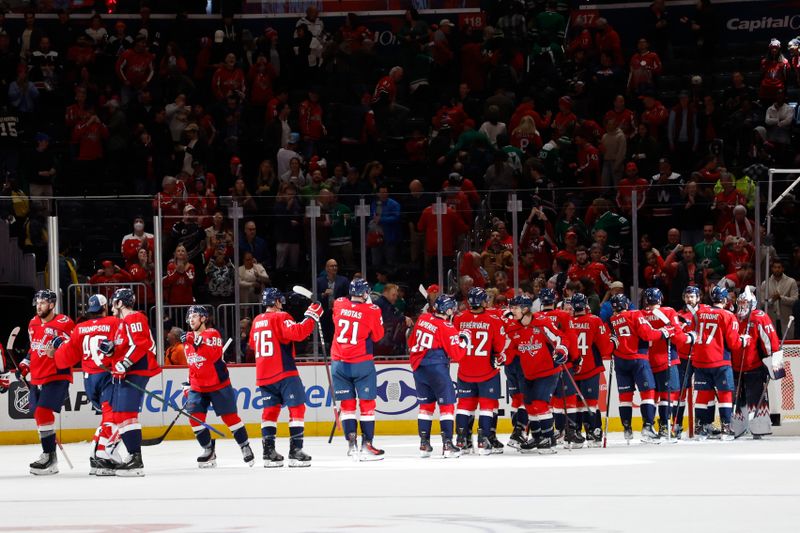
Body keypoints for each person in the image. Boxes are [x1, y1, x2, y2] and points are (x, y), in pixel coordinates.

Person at [249, 288, 321, 467]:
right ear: (275, 302)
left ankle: (268, 453)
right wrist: (312, 316)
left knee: (269, 413)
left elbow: (252, 344)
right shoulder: (281, 317)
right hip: (284, 372)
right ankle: (295, 451)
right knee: (297, 409)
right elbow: (298, 333)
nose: (282, 304)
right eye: (280, 301)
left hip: (264, 374)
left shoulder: (257, 321)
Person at [95, 288, 160, 476]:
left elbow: (141, 345)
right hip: (126, 372)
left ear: (120, 303)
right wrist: (111, 351)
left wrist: (125, 363)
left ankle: (135, 459)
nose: (111, 306)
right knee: (119, 413)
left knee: (126, 413)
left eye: (113, 302)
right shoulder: (123, 323)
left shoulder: (134, 317)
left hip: (136, 371)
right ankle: (131, 455)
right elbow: (128, 345)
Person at [51, 294, 117, 475]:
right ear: (105, 307)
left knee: (107, 417)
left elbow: (67, 356)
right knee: (115, 417)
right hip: (107, 376)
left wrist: (60, 347)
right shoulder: (113, 322)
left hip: (89, 380)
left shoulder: (80, 328)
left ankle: (95, 456)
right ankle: (102, 456)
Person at [183, 306, 254, 468]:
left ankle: (244, 446)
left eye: (194, 316)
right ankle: (208, 450)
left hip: (218, 385)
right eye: (189, 317)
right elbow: (194, 364)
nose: (191, 319)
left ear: (203, 318)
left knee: (230, 418)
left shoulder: (212, 334)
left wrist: (192, 340)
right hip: (198, 387)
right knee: (195, 419)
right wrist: (188, 383)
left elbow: (211, 355)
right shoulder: (187, 342)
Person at [674, 286, 745, 440]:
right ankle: (726, 427)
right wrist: (743, 341)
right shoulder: (727, 315)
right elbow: (733, 343)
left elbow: (692, 334)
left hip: (700, 360)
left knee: (703, 394)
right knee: (725, 393)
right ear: (725, 300)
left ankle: (700, 427)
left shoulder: (699, 313)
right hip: (720, 360)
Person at [19, 290, 75, 475]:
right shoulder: (33, 323)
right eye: (37, 303)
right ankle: (50, 455)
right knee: (39, 415)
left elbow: (73, 349)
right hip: (37, 375)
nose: (38, 306)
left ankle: (49, 457)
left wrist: (58, 349)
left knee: (43, 412)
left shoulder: (65, 323)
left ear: (51, 305)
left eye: (42, 303)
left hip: (57, 374)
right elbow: (33, 348)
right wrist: (26, 362)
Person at [408, 294, 470, 458]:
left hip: (418, 367)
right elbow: (457, 354)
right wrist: (464, 341)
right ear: (448, 310)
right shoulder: (447, 327)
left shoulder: (423, 318)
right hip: (436, 366)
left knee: (426, 406)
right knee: (447, 405)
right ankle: (448, 445)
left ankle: (424, 444)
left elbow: (411, 342)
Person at [505, 294, 568, 454]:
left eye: (515, 307)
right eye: (511, 307)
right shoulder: (514, 327)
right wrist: (502, 357)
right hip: (529, 373)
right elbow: (512, 348)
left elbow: (560, 338)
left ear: (525, 309)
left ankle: (549, 438)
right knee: (530, 406)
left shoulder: (542, 322)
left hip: (548, 371)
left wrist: (562, 351)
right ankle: (538, 436)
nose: (512, 310)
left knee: (540, 403)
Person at [331, 279, 386, 460]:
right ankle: (366, 446)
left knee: (347, 406)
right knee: (367, 406)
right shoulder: (372, 310)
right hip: (361, 363)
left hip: (339, 363)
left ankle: (352, 447)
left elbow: (340, 315)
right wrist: (369, 308)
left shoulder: (339, 304)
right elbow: (378, 336)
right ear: (365, 293)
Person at [608, 293, 672, 443]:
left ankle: (627, 428)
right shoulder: (635, 314)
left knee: (625, 396)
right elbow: (647, 334)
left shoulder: (611, 320)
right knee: (648, 392)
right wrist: (664, 332)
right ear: (626, 304)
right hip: (638, 358)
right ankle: (648, 427)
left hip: (620, 361)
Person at [452, 288, 508, 455]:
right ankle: (483, 442)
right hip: (487, 371)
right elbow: (499, 346)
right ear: (483, 302)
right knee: (487, 406)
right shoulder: (493, 319)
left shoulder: (459, 319)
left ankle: (462, 441)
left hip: (465, 370)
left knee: (464, 406)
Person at [731, 289, 781, 438]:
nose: (742, 306)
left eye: (745, 302)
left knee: (756, 398)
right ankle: (737, 427)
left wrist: (774, 364)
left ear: (752, 303)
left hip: (755, 366)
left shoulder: (760, 317)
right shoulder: (734, 317)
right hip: (735, 366)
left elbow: (771, 342)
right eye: (740, 302)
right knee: (737, 400)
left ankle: (759, 428)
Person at [568, 293, 613, 446]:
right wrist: (613, 342)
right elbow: (605, 348)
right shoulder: (594, 320)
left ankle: (576, 434)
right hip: (591, 368)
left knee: (576, 404)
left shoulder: (567, 322)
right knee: (591, 402)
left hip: (572, 369)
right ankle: (594, 431)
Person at [640, 288, 684, 438]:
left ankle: (648, 426)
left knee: (651, 396)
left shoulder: (640, 315)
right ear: (660, 299)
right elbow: (678, 337)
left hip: (647, 361)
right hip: (666, 359)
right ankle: (665, 427)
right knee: (667, 395)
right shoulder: (669, 311)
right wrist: (688, 337)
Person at [760, 260, 798, 339]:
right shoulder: (765, 283)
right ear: (771, 269)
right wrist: (772, 300)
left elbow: (795, 300)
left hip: (786, 317)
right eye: (775, 267)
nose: (777, 269)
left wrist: (781, 298)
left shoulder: (791, 282)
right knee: (772, 341)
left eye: (779, 267)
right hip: (771, 318)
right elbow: (761, 302)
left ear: (783, 269)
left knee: (788, 341)